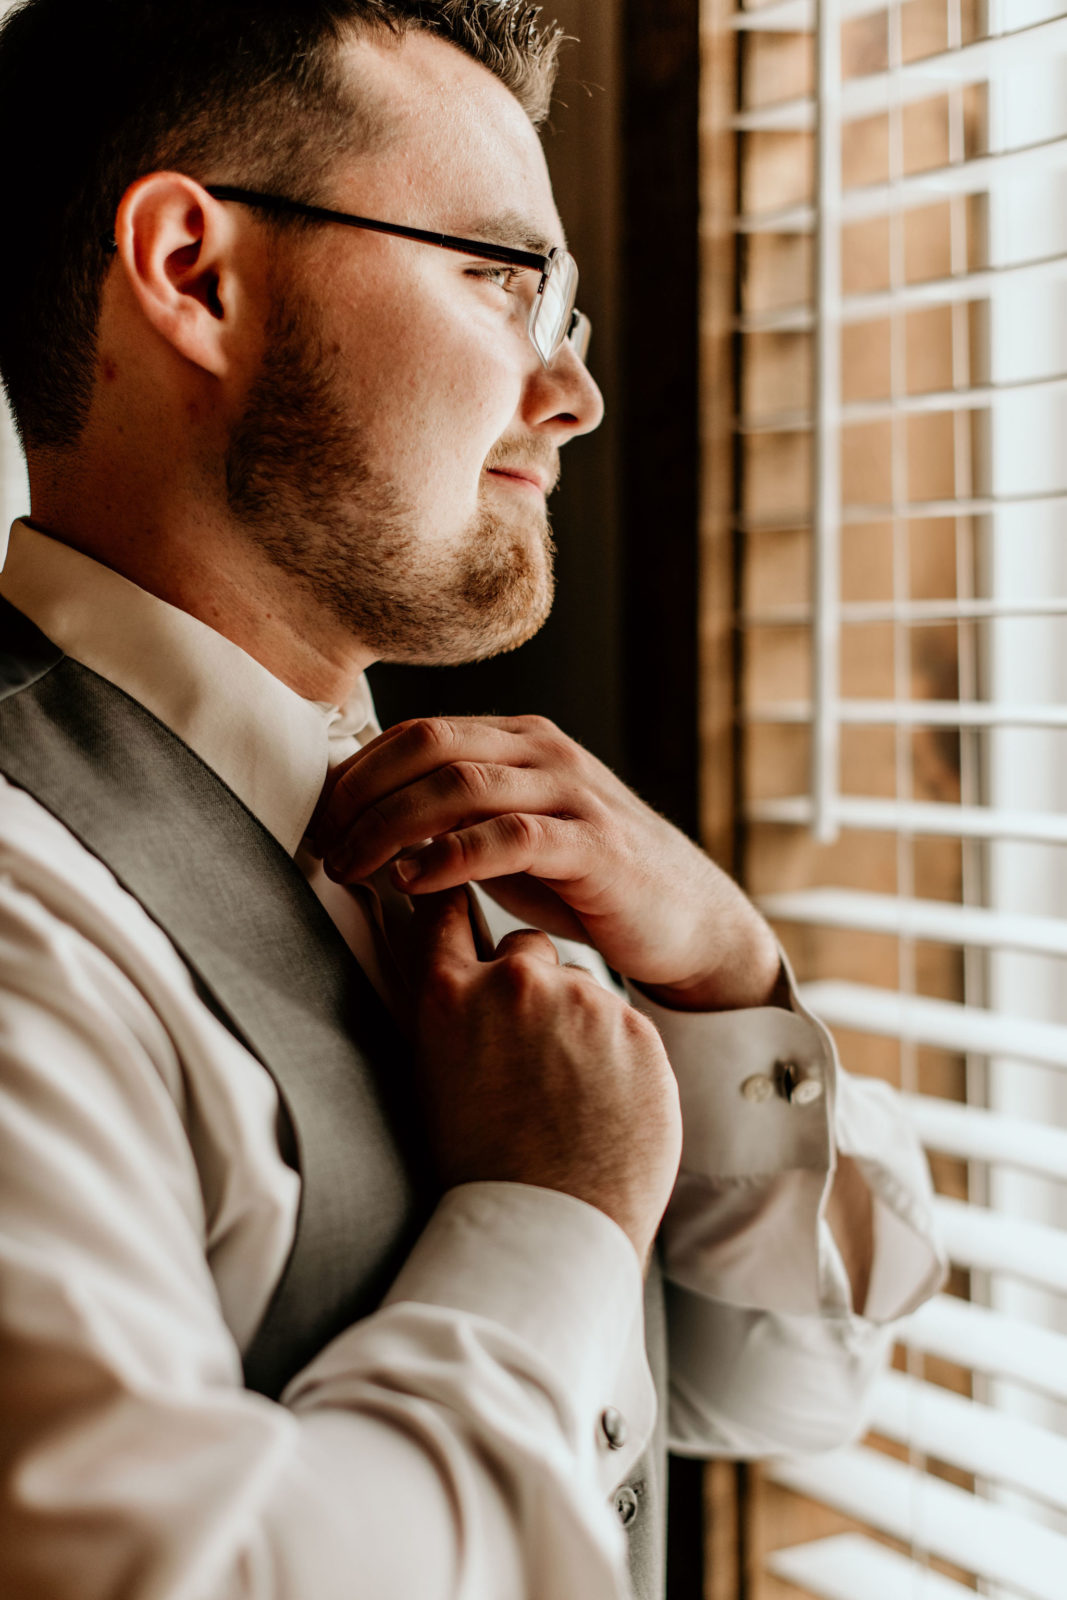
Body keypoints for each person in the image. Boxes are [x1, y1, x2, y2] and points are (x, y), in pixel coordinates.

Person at [0, 3, 944, 1597]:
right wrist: (547, 1207)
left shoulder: (488, 860)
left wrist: (722, 981)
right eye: (505, 280)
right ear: (194, 274)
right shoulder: (30, 914)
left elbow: (781, 1388)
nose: (570, 390)